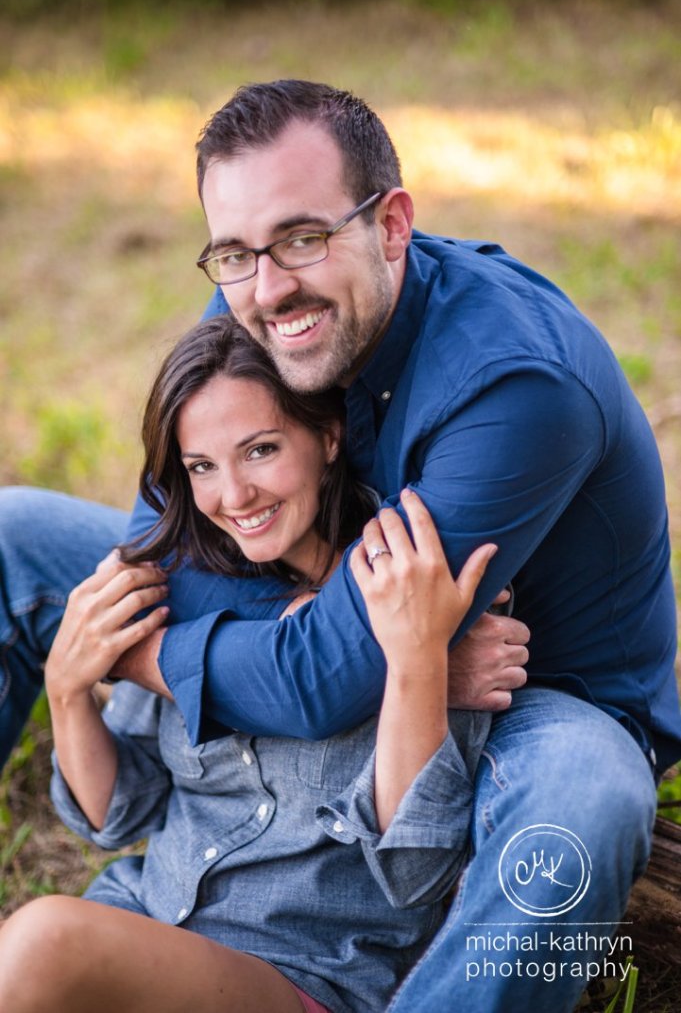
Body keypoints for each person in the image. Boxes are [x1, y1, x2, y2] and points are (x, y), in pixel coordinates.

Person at [0, 79, 677, 1011]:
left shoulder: (519, 384)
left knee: (586, 797)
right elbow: (162, 551)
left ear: (391, 222)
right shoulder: (260, 316)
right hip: (371, 621)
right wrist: (96, 663)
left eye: (302, 237)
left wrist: (129, 651)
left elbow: (330, 675)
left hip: (531, 683)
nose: (270, 285)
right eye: (236, 252)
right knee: (12, 538)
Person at [0, 316, 496, 1013]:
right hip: (146, 920)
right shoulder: (194, 588)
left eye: (260, 450)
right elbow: (119, 816)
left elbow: (414, 871)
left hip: (300, 974)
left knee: (44, 940)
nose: (233, 497)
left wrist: (415, 662)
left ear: (327, 436)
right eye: (202, 466)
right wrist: (67, 689)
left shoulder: (404, 591)